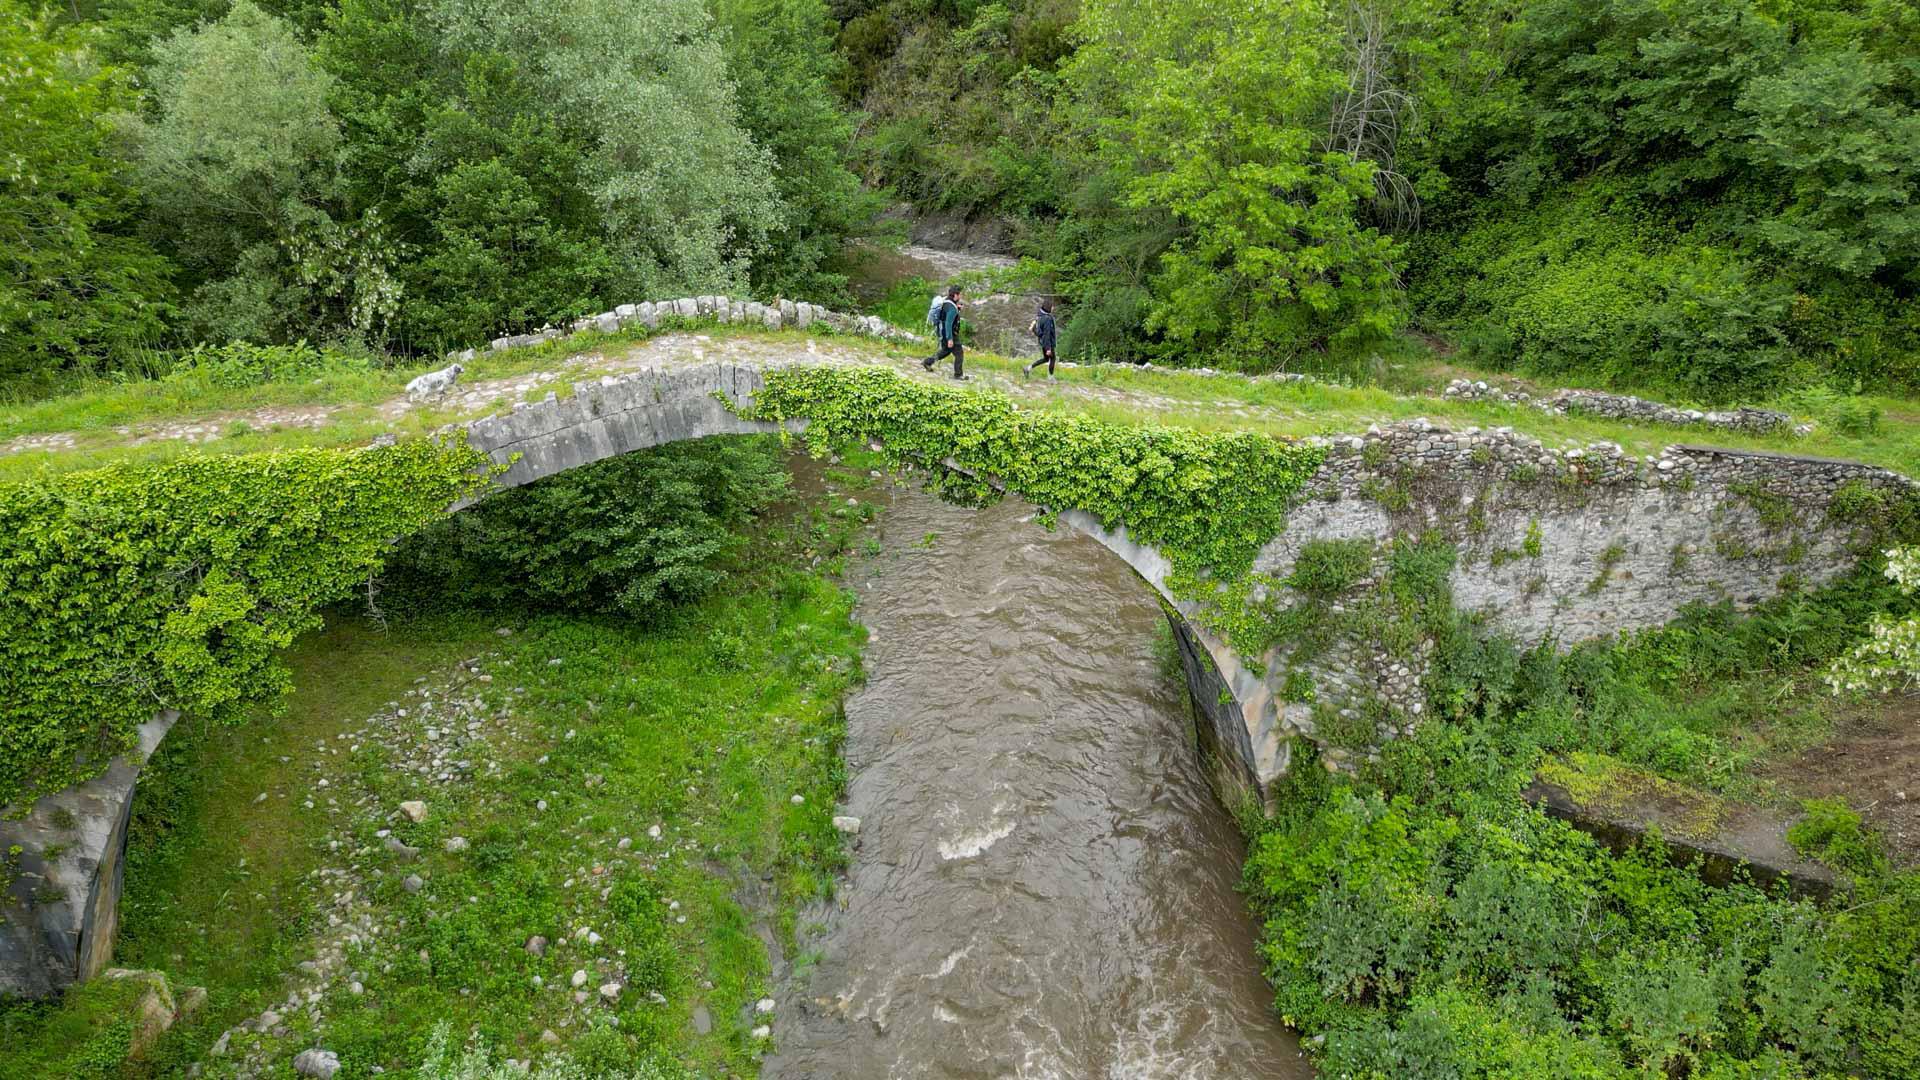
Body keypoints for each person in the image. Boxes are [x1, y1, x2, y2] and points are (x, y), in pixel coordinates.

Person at [921, 285, 965, 379]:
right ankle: (958, 375)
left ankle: (927, 362)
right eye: (960, 294)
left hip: (941, 331)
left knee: (945, 351)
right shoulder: (952, 309)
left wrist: (957, 308)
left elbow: (946, 312)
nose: (961, 296)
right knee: (959, 353)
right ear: (955, 295)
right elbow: (948, 323)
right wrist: (950, 339)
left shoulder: (946, 301)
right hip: (949, 333)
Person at [1024, 298, 1058, 379]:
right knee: (1053, 359)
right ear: (1049, 307)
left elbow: (1039, 332)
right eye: (1052, 306)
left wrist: (1033, 328)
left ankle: (1028, 368)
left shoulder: (1040, 314)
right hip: (1047, 343)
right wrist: (1048, 348)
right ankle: (1051, 378)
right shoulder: (1047, 319)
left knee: (1046, 359)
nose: (1053, 308)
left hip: (1042, 342)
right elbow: (1047, 334)